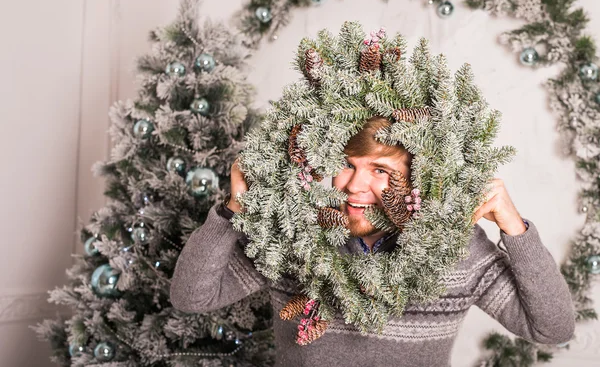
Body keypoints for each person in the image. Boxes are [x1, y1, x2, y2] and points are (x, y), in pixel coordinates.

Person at [170, 117, 575, 366]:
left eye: (380, 170)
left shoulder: (457, 249)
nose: (354, 186)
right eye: (347, 164)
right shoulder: (295, 235)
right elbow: (192, 297)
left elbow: (552, 328)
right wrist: (232, 211)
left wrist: (515, 230)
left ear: (419, 177)